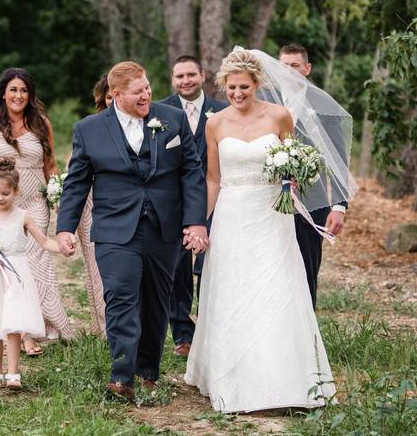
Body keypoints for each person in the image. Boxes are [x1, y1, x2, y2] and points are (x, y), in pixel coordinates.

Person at [184, 49, 336, 413]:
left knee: (276, 286)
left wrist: (293, 178)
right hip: (233, 215)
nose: (238, 94)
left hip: (272, 215)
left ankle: (286, 378)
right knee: (233, 289)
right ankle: (231, 378)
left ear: (257, 84)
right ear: (224, 86)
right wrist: (200, 223)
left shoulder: (280, 117)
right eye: (232, 88)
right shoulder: (215, 124)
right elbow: (213, 179)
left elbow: (293, 163)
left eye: (244, 87)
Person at [55, 61, 208, 402]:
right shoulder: (89, 129)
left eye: (148, 88)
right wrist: (65, 227)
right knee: (121, 297)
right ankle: (121, 376)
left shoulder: (173, 119)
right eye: (138, 92)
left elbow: (192, 173)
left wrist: (196, 221)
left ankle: (148, 372)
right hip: (113, 229)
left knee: (156, 300)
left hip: (164, 228)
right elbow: (77, 183)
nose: (147, 95)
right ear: (116, 95)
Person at [0, 68, 75, 355]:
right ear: (3, 92)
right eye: (13, 90)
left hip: (33, 203)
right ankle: (10, 326)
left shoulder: (41, 124)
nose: (18, 95)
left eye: (24, 90)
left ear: (30, 94)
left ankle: (29, 332)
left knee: (34, 264)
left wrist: (58, 197)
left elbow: (50, 166)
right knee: (6, 266)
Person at [156, 55, 229, 356]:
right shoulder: (159, 112)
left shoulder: (223, 111)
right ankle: (183, 335)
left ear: (202, 76)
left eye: (191, 75)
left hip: (218, 199)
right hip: (174, 201)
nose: (185, 81)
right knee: (178, 270)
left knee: (215, 265)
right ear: (172, 80)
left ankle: (216, 328)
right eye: (179, 76)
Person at [0, 157, 62, 391]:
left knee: (13, 323)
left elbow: (43, 242)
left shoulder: (23, 216)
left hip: (16, 275)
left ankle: (13, 373)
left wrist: (61, 247)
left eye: (5, 193)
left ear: (16, 191)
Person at [278, 43, 349, 310]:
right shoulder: (264, 102)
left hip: (312, 202)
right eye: (283, 66)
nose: (288, 72)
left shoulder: (323, 107)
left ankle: (306, 338)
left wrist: (339, 206)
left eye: (294, 66)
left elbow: (339, 159)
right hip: (268, 202)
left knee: (306, 269)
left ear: (307, 69)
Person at [74, 75, 111, 338]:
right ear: (102, 99)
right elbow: (76, 176)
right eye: (109, 97)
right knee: (96, 267)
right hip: (92, 207)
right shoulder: (90, 129)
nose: (114, 102)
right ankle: (103, 324)